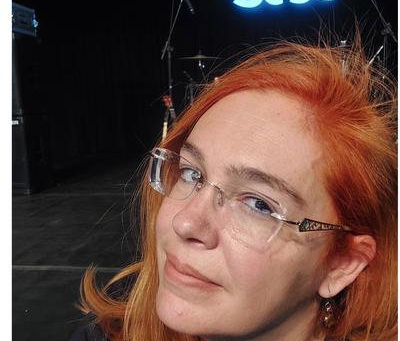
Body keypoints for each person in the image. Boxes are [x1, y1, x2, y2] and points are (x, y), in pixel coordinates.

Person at [70, 37, 397, 341]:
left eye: (258, 204)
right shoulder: (107, 333)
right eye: (191, 174)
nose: (185, 223)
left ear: (342, 263)